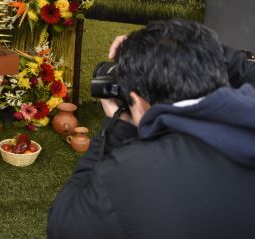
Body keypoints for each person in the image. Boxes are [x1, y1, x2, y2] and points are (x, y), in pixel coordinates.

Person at [47, 19, 255, 239]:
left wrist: (119, 126)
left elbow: (63, 226)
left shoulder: (129, 173)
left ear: (137, 99)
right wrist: (183, 51)